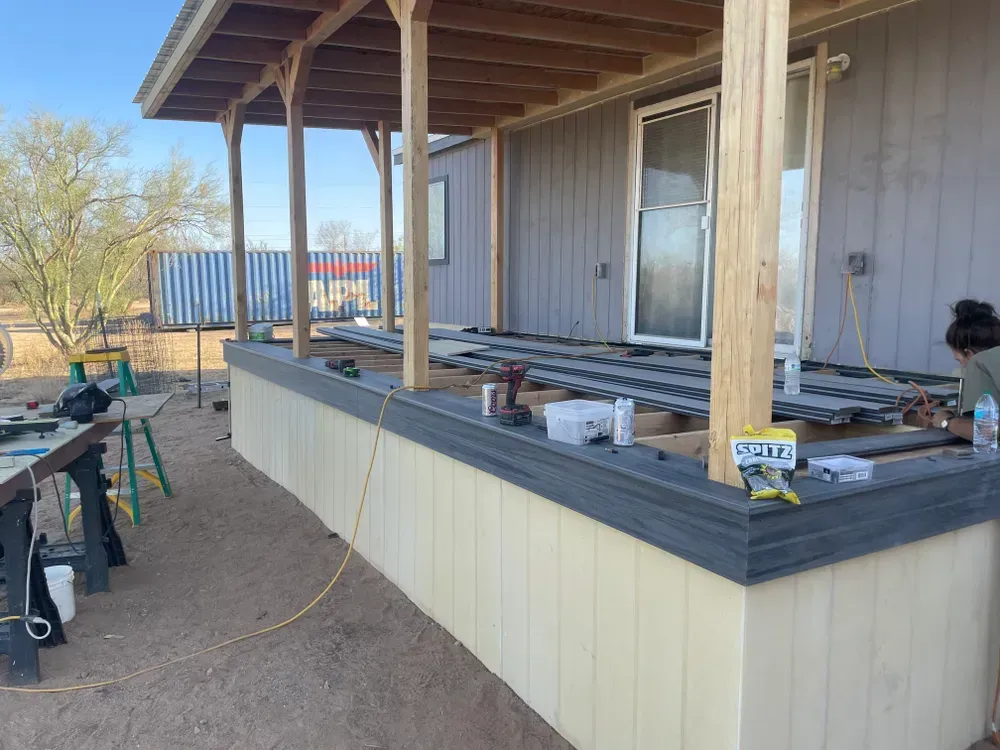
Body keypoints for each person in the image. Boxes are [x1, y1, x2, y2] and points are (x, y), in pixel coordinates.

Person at [932, 299, 1000, 440]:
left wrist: (947, 421)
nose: (962, 367)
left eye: (960, 360)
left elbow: (986, 433)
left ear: (969, 353)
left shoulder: (980, 361)